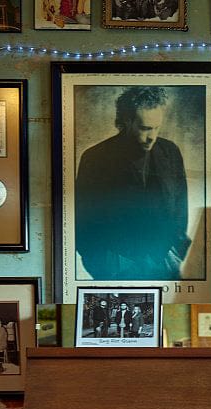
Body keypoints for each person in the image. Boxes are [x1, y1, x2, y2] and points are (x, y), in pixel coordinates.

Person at [74, 86, 190, 281]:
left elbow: (180, 206)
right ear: (126, 122)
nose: (152, 136)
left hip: (162, 259)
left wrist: (176, 249)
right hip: (114, 262)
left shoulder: (170, 152)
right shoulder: (95, 158)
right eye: (145, 128)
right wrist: (101, 260)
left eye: (156, 127)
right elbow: (82, 217)